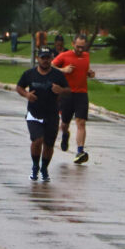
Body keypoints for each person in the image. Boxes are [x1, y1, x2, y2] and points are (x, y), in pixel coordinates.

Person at [16, 48, 70, 182]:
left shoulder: (57, 75)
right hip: (34, 113)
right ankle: (35, 166)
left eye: (47, 58)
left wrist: (61, 90)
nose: (45, 61)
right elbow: (19, 87)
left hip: (52, 114)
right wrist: (27, 95)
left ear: (51, 59)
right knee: (37, 140)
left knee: (49, 144)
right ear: (37, 59)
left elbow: (68, 90)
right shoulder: (29, 74)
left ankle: (44, 168)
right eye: (42, 58)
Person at [52, 34, 96, 164]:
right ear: (73, 44)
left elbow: (85, 70)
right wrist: (63, 69)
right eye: (78, 47)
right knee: (64, 123)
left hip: (82, 94)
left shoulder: (86, 56)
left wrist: (90, 73)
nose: (80, 50)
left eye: (83, 47)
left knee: (81, 122)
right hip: (67, 94)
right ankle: (65, 134)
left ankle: (80, 151)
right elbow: (50, 66)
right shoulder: (64, 56)